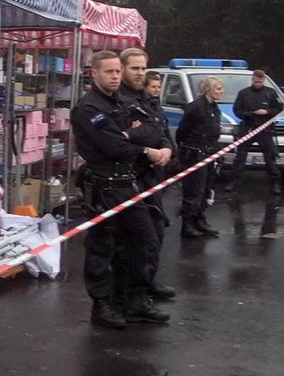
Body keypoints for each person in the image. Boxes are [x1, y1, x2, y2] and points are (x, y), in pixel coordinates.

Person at [72, 50, 171, 329]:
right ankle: (101, 305)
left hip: (128, 183)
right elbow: (113, 145)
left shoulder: (122, 102)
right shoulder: (89, 108)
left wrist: (133, 136)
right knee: (102, 248)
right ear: (94, 73)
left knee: (144, 242)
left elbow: (154, 126)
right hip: (104, 186)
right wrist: (144, 149)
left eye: (117, 71)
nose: (115, 76)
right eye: (109, 72)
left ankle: (134, 299)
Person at [114, 51, 176, 302]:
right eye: (134, 68)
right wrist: (147, 144)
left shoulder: (146, 99)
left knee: (156, 232)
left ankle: (146, 282)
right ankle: (131, 295)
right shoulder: (118, 100)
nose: (139, 73)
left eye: (143, 68)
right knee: (135, 240)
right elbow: (121, 138)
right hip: (130, 176)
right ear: (123, 69)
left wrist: (167, 149)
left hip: (152, 175)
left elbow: (157, 130)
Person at [176, 76, 225, 237]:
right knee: (193, 191)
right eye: (218, 88)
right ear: (207, 89)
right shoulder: (195, 107)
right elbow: (182, 131)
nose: (221, 91)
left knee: (206, 189)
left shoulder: (214, 108)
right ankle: (187, 224)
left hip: (210, 153)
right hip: (195, 154)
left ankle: (200, 219)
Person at [226, 69, 282, 195]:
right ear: (252, 79)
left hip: (265, 129)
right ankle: (233, 182)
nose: (258, 84)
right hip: (248, 127)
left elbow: (279, 108)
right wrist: (251, 114)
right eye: (256, 81)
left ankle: (275, 183)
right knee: (240, 157)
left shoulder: (270, 93)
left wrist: (267, 112)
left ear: (264, 80)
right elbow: (237, 111)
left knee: (270, 157)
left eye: (260, 82)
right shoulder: (243, 93)